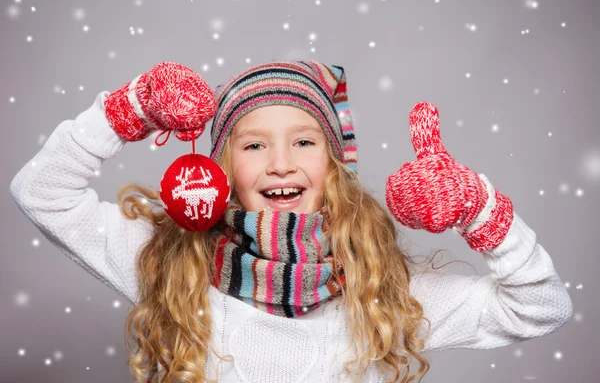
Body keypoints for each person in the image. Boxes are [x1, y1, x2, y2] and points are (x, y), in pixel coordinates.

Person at [9, 60, 573, 383]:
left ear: (334, 167)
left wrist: (479, 209)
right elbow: (40, 192)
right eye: (254, 144)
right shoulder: (170, 266)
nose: (281, 162)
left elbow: (542, 307)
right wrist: (126, 110)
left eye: (304, 141)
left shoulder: (385, 294)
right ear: (222, 166)